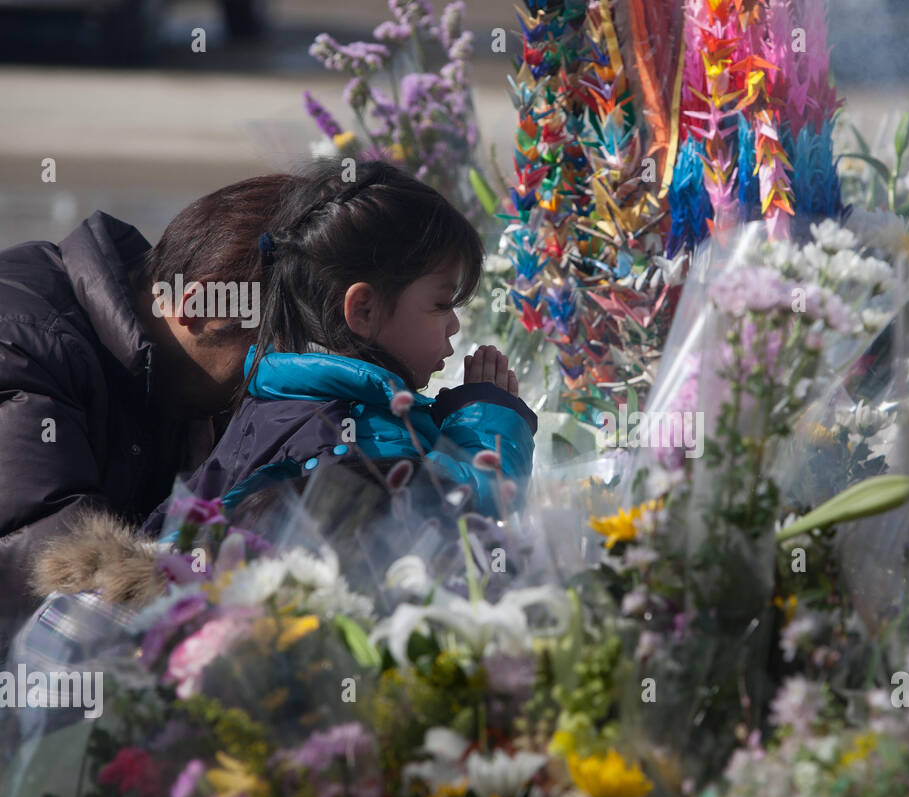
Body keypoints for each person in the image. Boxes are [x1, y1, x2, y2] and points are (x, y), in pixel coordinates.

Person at [145, 160, 535, 530]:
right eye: (441, 305)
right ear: (363, 310)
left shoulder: (279, 404)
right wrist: (485, 425)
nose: (453, 325)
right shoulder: (348, 432)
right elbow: (457, 522)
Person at [0, 174, 299, 634]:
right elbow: (57, 573)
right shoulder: (25, 343)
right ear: (199, 308)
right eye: (280, 350)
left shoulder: (169, 375)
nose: (285, 379)